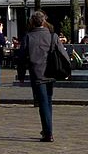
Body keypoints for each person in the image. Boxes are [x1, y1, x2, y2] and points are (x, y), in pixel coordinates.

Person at [26, 11, 66, 142]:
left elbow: (21, 57)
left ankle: (48, 132)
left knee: (43, 103)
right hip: (51, 71)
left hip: (37, 73)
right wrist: (66, 71)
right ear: (43, 21)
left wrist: (21, 74)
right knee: (48, 102)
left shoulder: (28, 36)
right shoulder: (52, 36)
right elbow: (63, 53)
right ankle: (47, 129)